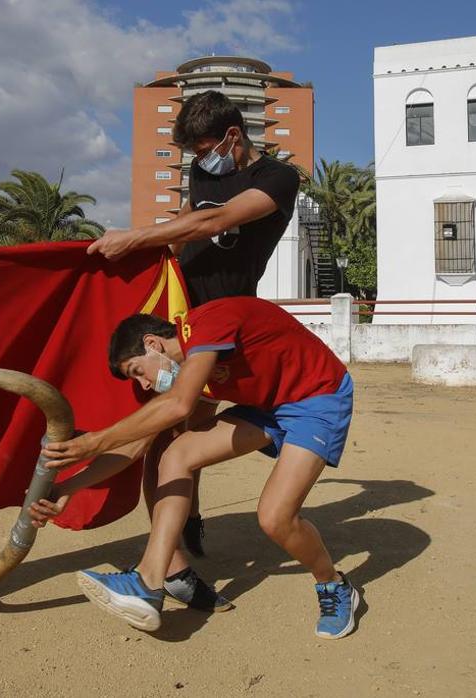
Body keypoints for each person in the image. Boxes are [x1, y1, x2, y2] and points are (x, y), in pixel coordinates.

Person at [35, 296, 360, 639]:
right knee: (175, 454)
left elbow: (179, 406)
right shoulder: (189, 370)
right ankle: (149, 580)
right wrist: (66, 488)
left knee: (275, 517)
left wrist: (91, 442)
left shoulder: (207, 325)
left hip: (318, 397)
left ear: (152, 343)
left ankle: (334, 586)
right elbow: (135, 445)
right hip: (269, 406)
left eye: (137, 372)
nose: (143, 385)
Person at [84, 89, 302, 572]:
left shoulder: (279, 177)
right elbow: (186, 222)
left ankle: (182, 533)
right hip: (175, 317)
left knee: (186, 429)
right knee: (162, 438)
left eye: (204, 150)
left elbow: (216, 219)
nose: (201, 162)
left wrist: (135, 235)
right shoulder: (204, 169)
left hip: (225, 324)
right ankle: (178, 549)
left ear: (232, 135)